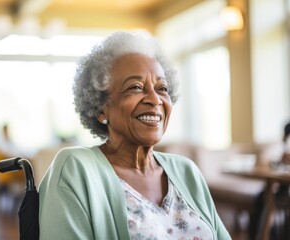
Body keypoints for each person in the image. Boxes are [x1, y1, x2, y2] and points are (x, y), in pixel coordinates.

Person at [39, 30, 231, 239]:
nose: (155, 100)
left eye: (162, 88)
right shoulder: (75, 169)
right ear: (101, 108)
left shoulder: (186, 171)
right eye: (135, 87)